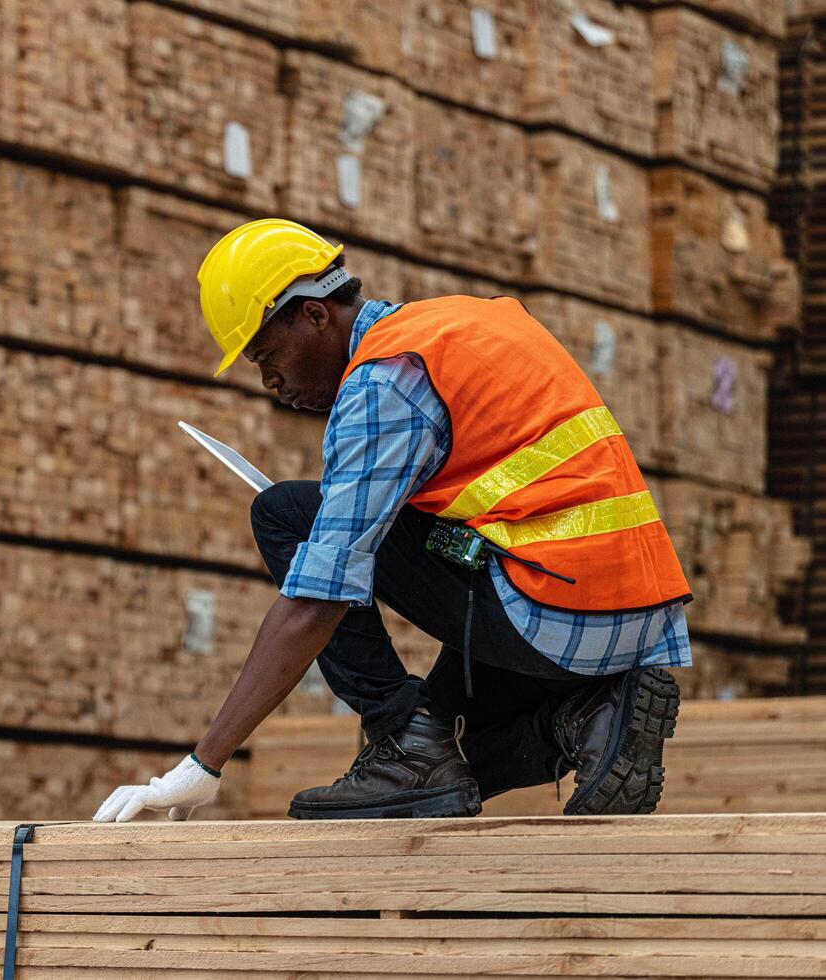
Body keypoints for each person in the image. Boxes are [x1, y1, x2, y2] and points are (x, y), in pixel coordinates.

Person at [93, 219, 689, 824]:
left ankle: (405, 737)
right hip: (626, 616)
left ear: (316, 316)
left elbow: (317, 597)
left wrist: (203, 764)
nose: (271, 383)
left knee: (289, 515)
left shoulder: (384, 381)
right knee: (437, 779)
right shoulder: (466, 324)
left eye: (268, 356)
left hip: (549, 609)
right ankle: (584, 719)